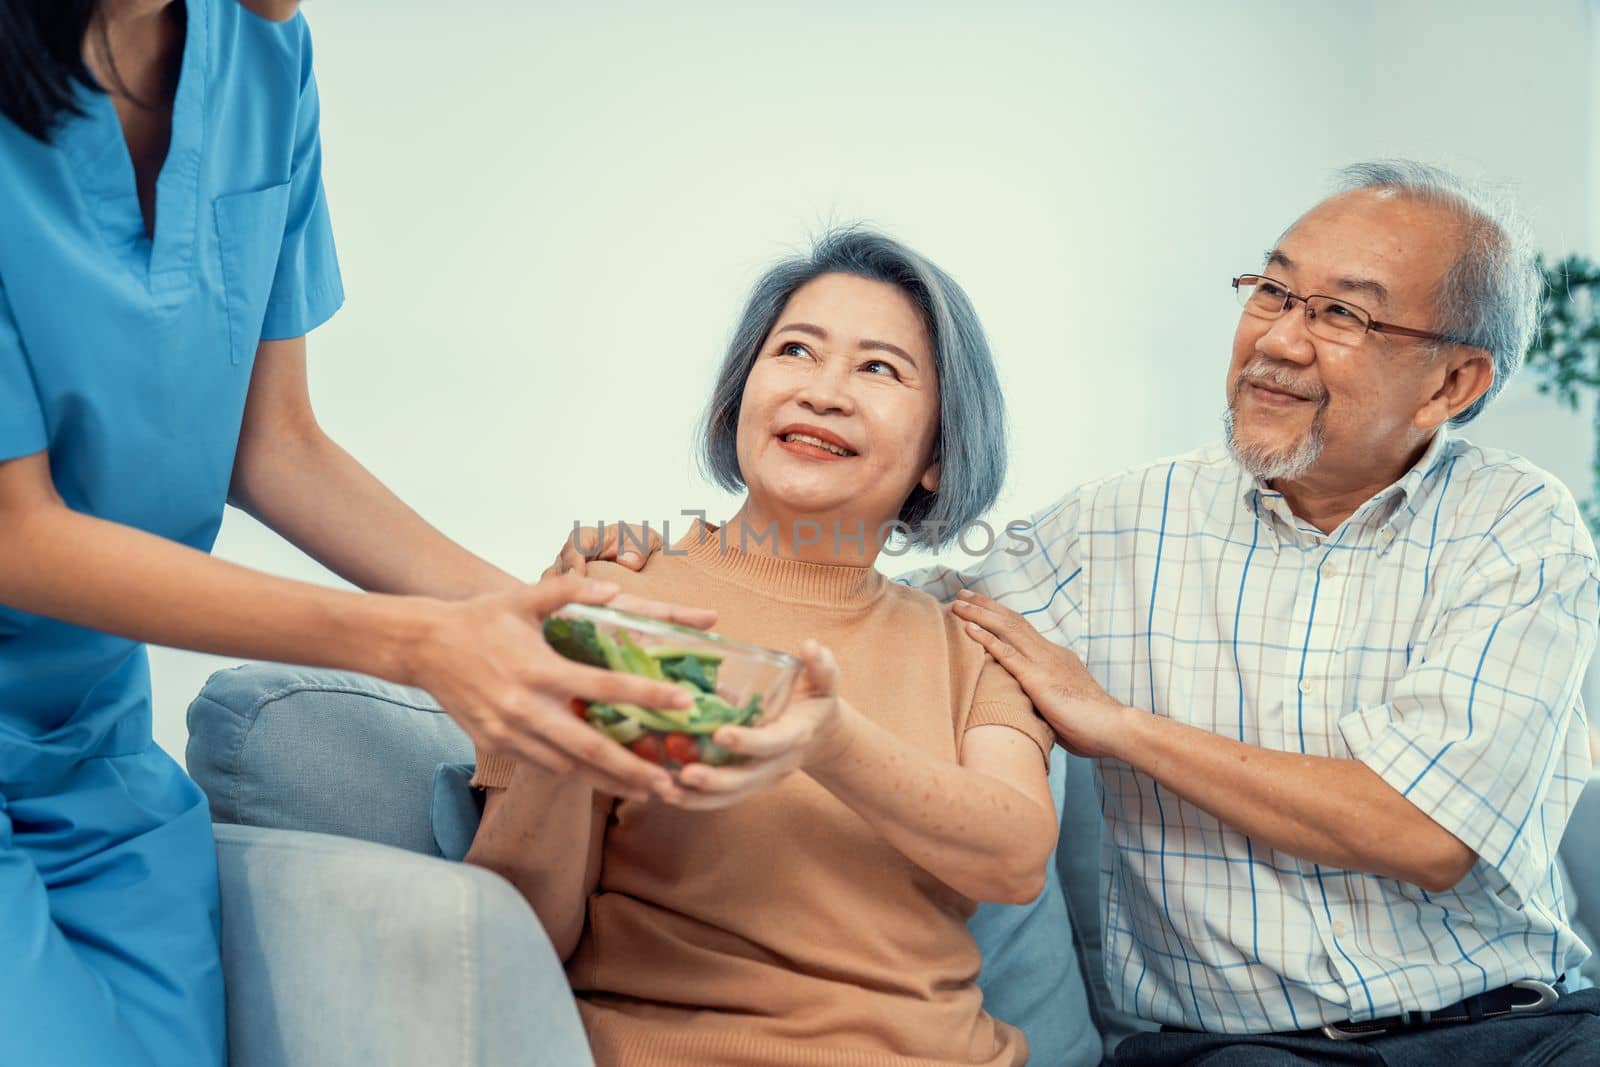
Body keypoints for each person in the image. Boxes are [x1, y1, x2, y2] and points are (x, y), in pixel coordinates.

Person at [0, 3, 706, 1063]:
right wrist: (418, 644)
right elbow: (21, 535)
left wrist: (559, 629)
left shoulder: (260, 51)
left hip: (89, 747)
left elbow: (273, 444)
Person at [938, 160, 1600, 1064]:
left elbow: (1427, 829)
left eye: (1342, 314)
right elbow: (899, 610)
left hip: (1523, 1026)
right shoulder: (1113, 524)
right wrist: (686, 563)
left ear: (1453, 384)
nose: (1279, 342)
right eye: (1274, 291)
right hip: (1238, 1050)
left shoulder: (1518, 522)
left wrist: (1122, 727)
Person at [467, 228, 1059, 1067]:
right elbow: (513, 928)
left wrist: (829, 738)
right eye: (795, 350)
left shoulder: (968, 643)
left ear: (938, 454)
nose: (824, 391)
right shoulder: (606, 592)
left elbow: (1015, 858)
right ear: (737, 398)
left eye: (879, 368)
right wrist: (566, 718)